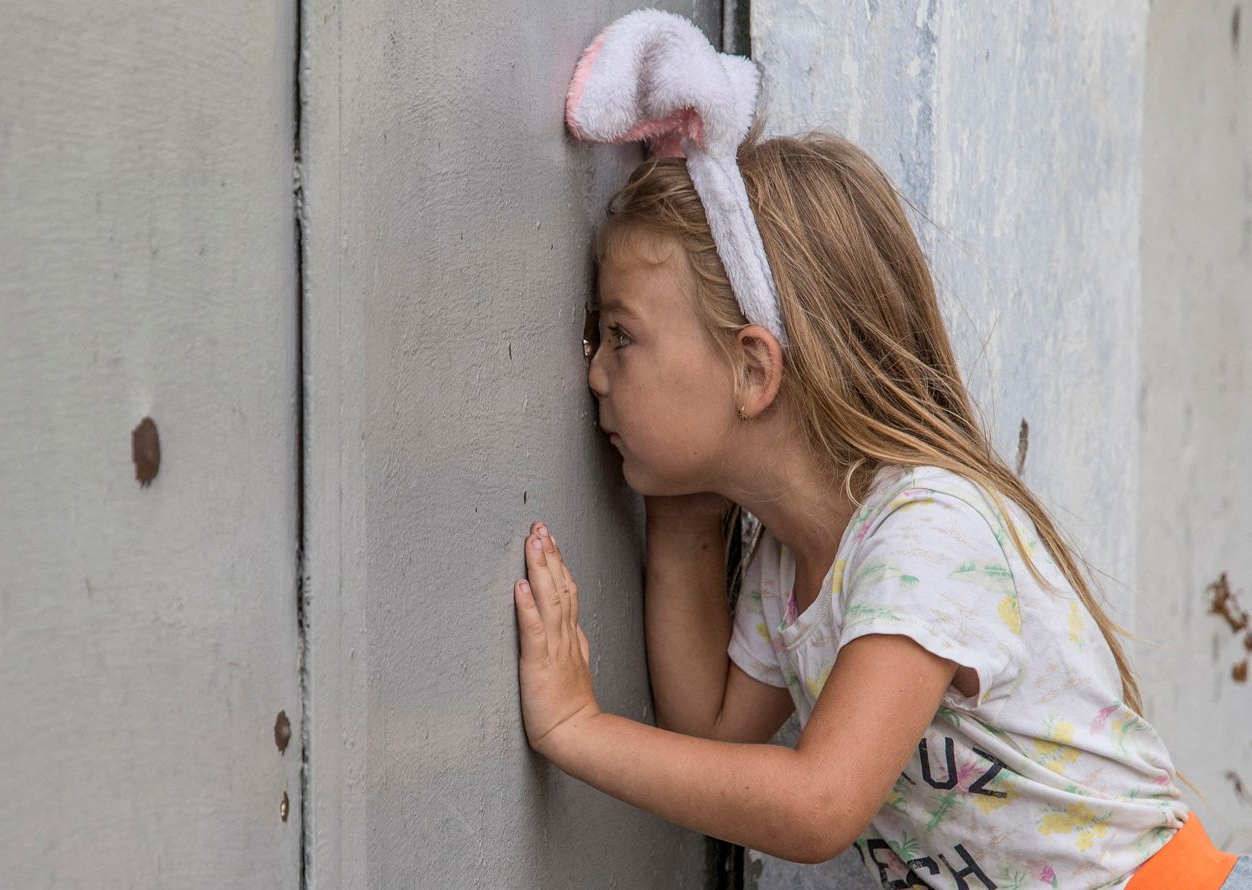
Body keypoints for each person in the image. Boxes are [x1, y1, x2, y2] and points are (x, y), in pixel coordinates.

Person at [511, 10, 1250, 888]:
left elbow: (817, 805)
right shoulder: (792, 562)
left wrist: (577, 730)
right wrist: (679, 511)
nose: (594, 372)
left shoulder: (923, 534)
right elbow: (710, 731)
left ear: (753, 369)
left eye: (621, 336)